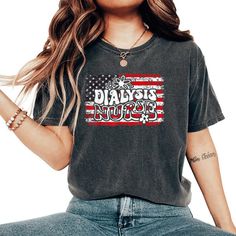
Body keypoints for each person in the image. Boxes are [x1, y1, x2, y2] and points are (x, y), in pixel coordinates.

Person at [0, 0, 235, 235]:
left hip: (168, 221)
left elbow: (199, 145)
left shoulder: (184, 54)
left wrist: (226, 227)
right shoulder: (69, 58)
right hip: (88, 221)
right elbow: (59, 155)